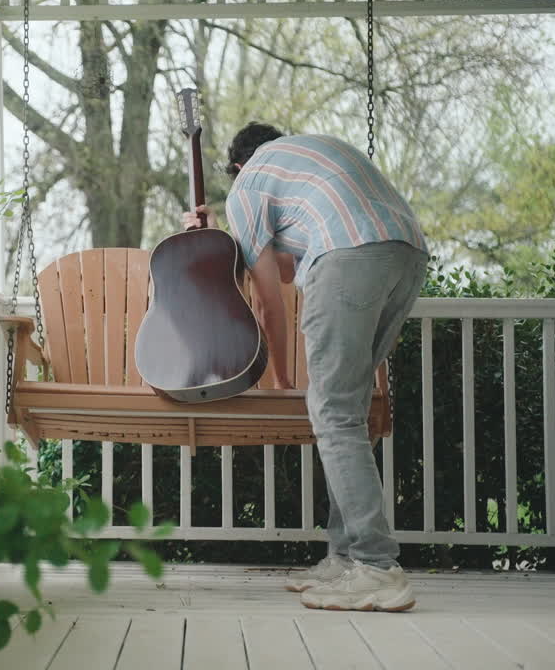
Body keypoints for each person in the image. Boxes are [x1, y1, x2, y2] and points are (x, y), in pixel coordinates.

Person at [182, 122, 428, 612]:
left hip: (349, 254)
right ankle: (344, 557)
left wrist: (281, 379)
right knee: (347, 415)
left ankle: (377, 567)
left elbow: (271, 299)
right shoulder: (311, 155)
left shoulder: (247, 185)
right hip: (407, 251)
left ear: (236, 167)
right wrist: (227, 242)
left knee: (333, 414)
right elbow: (293, 262)